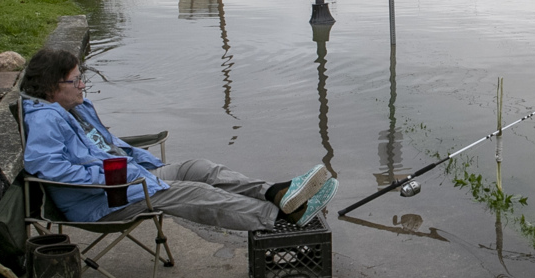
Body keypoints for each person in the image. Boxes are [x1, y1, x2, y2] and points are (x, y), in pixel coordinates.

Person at [19, 48, 336, 231]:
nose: (83, 86)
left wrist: (141, 165)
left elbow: (108, 146)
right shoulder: (46, 119)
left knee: (199, 169)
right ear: (51, 86)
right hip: (104, 199)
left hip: (131, 177)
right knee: (194, 192)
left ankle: (275, 192)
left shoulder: (75, 107)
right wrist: (113, 174)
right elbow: (49, 169)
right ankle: (280, 217)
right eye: (76, 81)